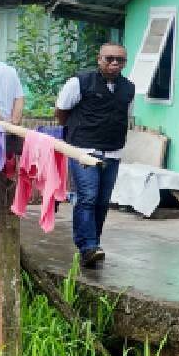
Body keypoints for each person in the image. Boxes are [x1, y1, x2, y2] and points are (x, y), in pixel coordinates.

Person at [55, 43, 135, 269]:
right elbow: (61, 111)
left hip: (113, 151)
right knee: (88, 196)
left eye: (120, 60)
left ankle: (93, 246)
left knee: (102, 201)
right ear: (99, 59)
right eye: (109, 58)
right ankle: (87, 246)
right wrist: (75, 134)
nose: (114, 63)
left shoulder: (128, 88)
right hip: (84, 150)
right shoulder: (80, 82)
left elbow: (126, 115)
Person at [0, 57, 25, 124]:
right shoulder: (10, 70)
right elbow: (19, 99)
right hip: (8, 126)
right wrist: (14, 123)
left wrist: (0, 120)